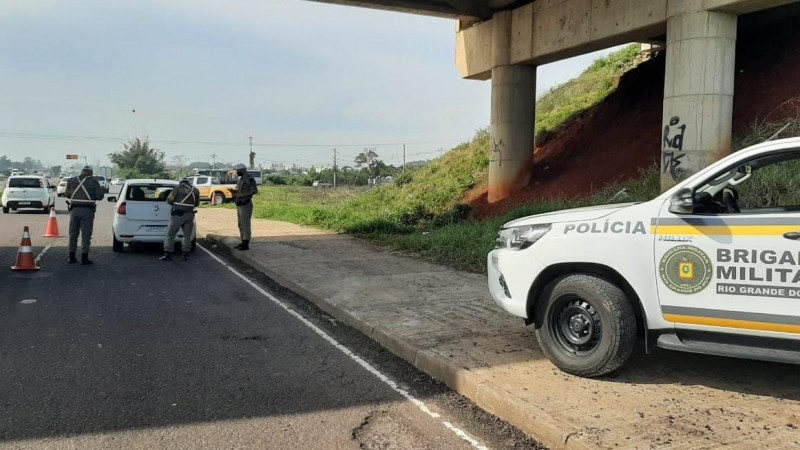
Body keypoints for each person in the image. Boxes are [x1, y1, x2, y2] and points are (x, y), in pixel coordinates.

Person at [64, 166, 105, 265]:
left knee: (73, 234)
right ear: (91, 173)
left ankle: (71, 257)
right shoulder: (94, 181)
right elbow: (99, 196)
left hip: (74, 210)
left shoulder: (71, 180)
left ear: (82, 172)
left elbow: (67, 195)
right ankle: (84, 258)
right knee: (86, 235)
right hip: (87, 210)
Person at [160, 179, 200, 262]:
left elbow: (170, 200)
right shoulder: (195, 190)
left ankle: (168, 254)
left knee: (170, 234)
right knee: (187, 236)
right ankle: (185, 254)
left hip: (178, 214)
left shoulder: (177, 188)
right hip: (190, 215)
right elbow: (197, 204)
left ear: (181, 183)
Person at [232, 162, 258, 250]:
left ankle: (246, 243)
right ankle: (243, 241)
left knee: (245, 224)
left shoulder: (249, 179)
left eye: (238, 171)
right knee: (240, 224)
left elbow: (254, 190)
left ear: (242, 170)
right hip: (239, 204)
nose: (237, 172)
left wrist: (242, 195)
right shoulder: (241, 179)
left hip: (245, 203)